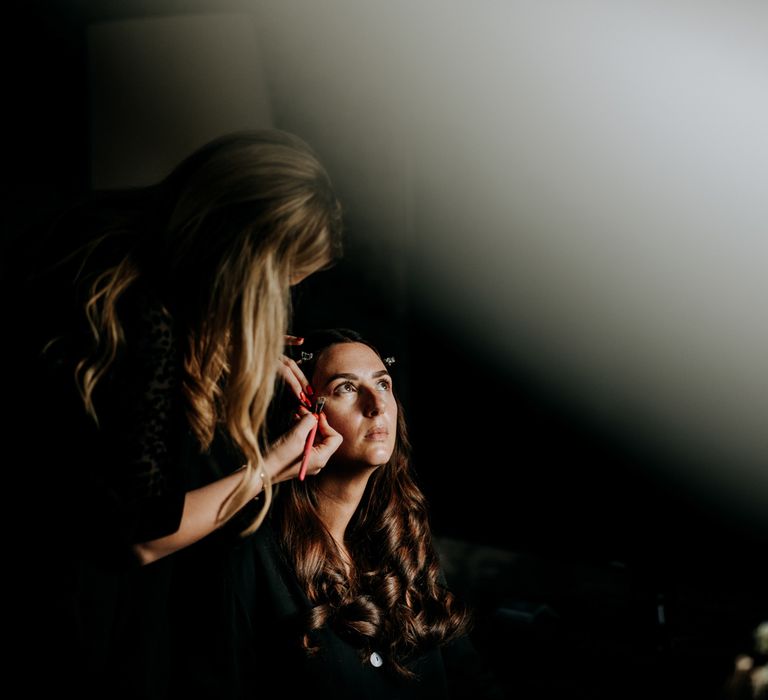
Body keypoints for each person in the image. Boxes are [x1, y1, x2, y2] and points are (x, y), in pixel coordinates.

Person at [7, 130, 344, 698]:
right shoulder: (141, 316)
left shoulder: (103, 239)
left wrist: (231, 343)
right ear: (243, 266)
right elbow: (137, 533)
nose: (275, 308)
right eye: (277, 288)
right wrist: (272, 469)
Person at [169, 328, 509, 699]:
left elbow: (472, 682)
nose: (376, 405)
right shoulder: (251, 556)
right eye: (346, 388)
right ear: (302, 414)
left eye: (383, 384)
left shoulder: (404, 542)